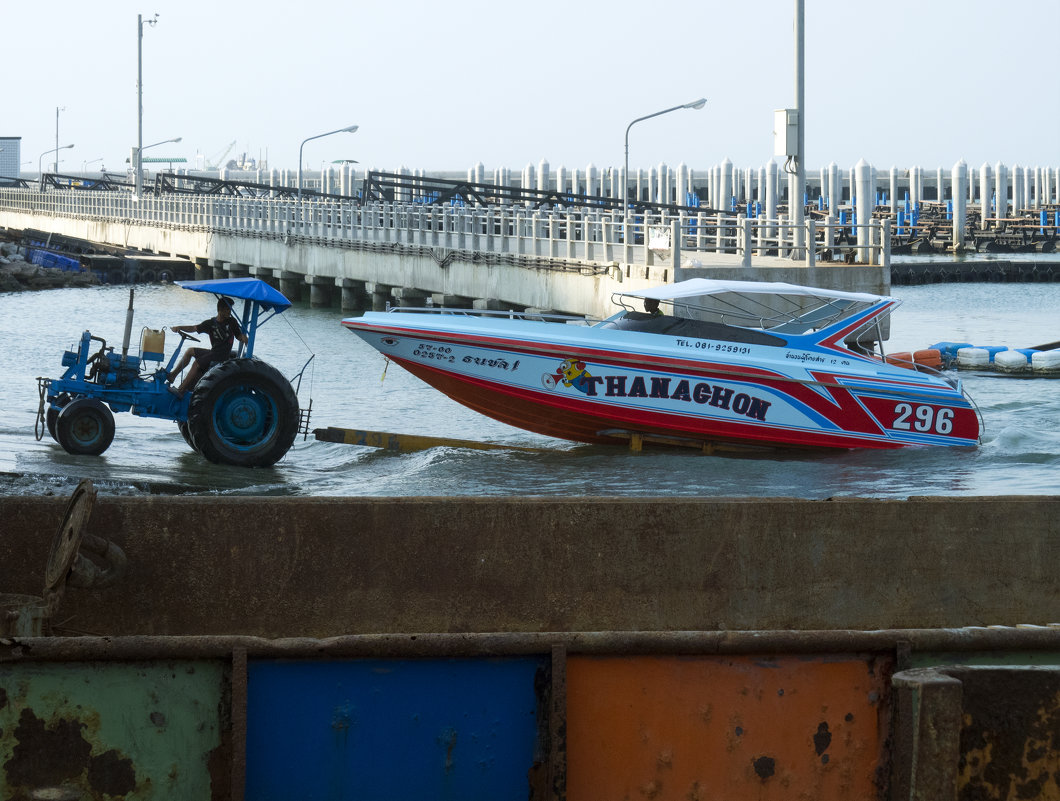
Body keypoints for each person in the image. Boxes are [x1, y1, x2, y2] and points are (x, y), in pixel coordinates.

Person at [167, 297, 247, 398]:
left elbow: (239, 336)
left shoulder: (232, 322)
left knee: (197, 363)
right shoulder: (211, 323)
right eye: (227, 309)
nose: (229, 312)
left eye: (230, 309)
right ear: (220, 309)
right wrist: (180, 328)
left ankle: (181, 390)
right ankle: (173, 375)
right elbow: (193, 328)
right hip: (213, 352)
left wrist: (244, 338)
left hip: (221, 356)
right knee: (190, 351)